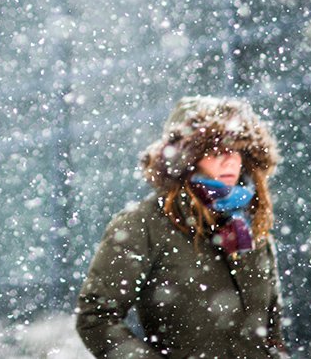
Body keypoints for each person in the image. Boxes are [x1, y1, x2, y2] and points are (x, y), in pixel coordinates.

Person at [75, 96, 289, 358]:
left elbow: (271, 330)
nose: (229, 160)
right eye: (214, 150)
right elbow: (96, 318)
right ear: (185, 158)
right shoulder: (144, 224)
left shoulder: (249, 227)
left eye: (237, 149)